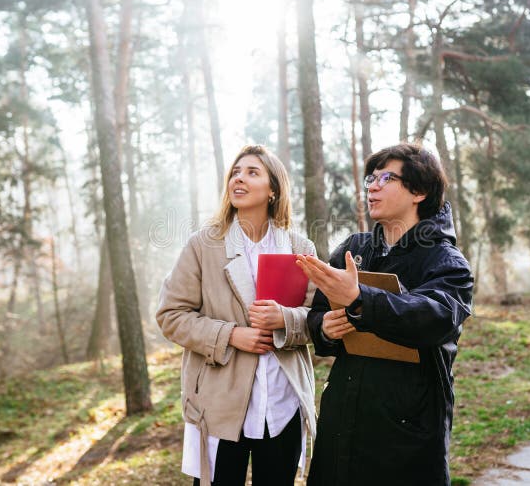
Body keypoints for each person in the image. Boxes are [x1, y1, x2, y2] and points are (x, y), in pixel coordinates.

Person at [296, 143, 473, 486]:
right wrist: (325, 327)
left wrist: (360, 298)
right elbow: (317, 313)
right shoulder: (354, 249)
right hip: (342, 418)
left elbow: (433, 318)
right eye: (371, 179)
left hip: (407, 429)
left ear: (419, 191)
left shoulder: (446, 262)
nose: (372, 187)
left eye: (386, 178)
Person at [155, 145, 317, 486]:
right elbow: (171, 314)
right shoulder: (203, 245)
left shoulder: (301, 249)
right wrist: (230, 335)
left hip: (283, 401)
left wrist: (284, 320)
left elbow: (316, 320)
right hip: (220, 404)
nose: (239, 178)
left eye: (252, 172)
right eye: (235, 172)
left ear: (273, 189)